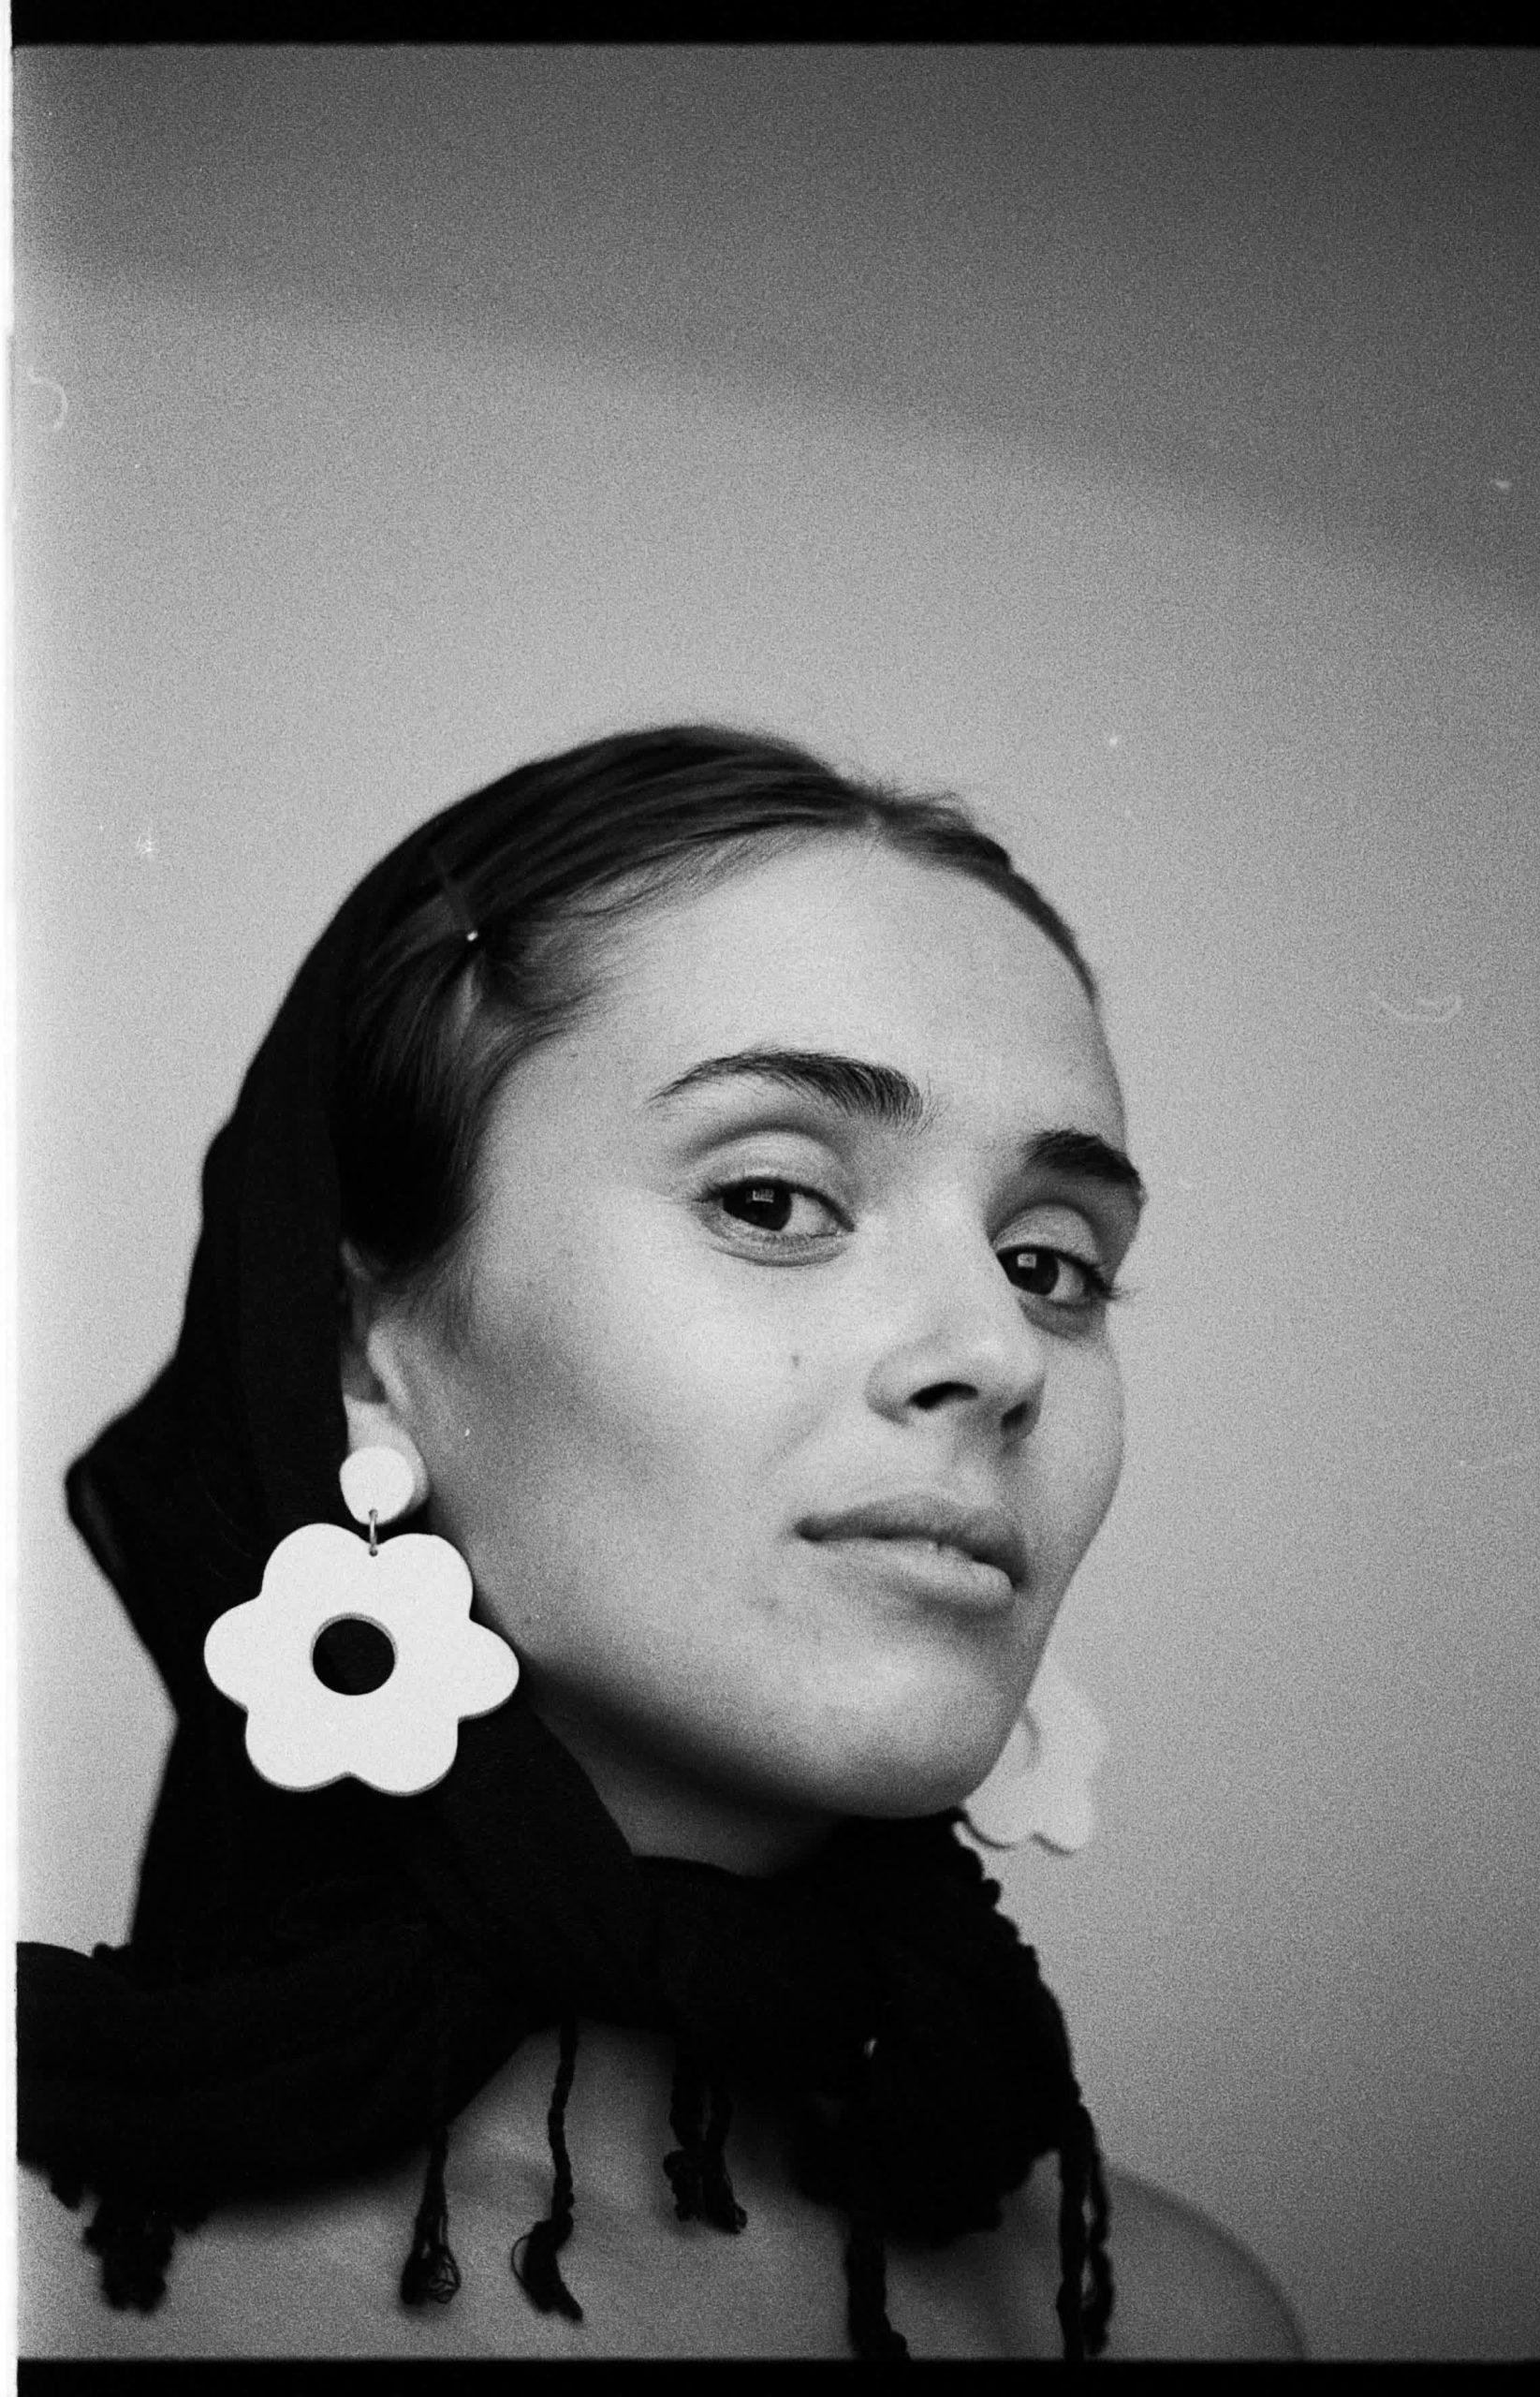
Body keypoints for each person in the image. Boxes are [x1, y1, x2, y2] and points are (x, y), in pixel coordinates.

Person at [18, 726, 1303, 2360]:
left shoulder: (1169, 2325)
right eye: (770, 1200)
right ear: (356, 1355)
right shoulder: (43, 2278)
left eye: (1049, 1262)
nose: (996, 1352)